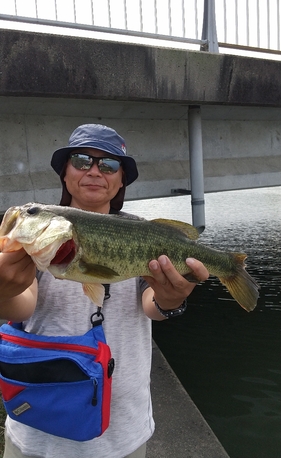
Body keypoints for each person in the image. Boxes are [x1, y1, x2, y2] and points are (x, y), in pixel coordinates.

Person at [0, 124, 209, 458]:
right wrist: (2, 292)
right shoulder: (41, 237)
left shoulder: (143, 233)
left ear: (121, 179)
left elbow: (150, 304)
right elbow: (22, 306)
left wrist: (171, 300)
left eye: (109, 165)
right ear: (64, 173)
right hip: (38, 428)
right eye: (82, 161)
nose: (94, 171)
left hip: (121, 434)